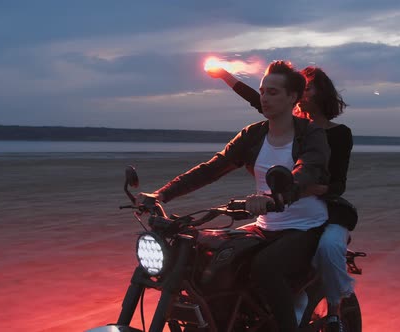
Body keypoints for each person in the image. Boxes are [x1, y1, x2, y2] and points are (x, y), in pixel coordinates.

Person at [140, 60, 330, 332]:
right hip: (265, 226)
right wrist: (161, 194)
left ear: (293, 98)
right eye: (263, 91)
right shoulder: (254, 135)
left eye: (273, 92)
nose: (264, 97)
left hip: (304, 227)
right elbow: (212, 168)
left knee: (266, 267)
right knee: (206, 256)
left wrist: (278, 196)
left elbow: (307, 170)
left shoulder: (310, 134)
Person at [208, 65, 357, 332]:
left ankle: (334, 312)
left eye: (308, 87)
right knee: (230, 248)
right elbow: (257, 99)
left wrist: (306, 189)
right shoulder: (293, 127)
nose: (303, 92)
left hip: (325, 209)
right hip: (281, 209)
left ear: (321, 93)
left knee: (329, 249)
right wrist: (226, 77)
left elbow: (338, 184)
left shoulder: (338, 133)